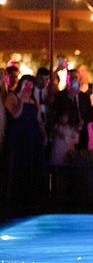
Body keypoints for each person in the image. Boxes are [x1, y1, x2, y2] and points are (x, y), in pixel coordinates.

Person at [3, 75, 46, 213]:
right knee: (18, 166)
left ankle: (32, 199)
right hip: (19, 137)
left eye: (31, 85)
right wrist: (21, 99)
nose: (29, 87)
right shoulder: (12, 97)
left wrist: (43, 133)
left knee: (32, 166)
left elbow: (38, 118)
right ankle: (16, 200)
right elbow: (15, 115)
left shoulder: (34, 100)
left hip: (33, 136)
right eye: (26, 84)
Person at [52, 69, 92, 150]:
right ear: (67, 80)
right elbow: (57, 113)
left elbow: (90, 114)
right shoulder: (59, 96)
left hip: (82, 133)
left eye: (76, 77)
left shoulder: (85, 97)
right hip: (66, 133)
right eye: (71, 78)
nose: (73, 80)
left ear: (79, 79)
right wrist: (69, 97)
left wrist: (84, 121)